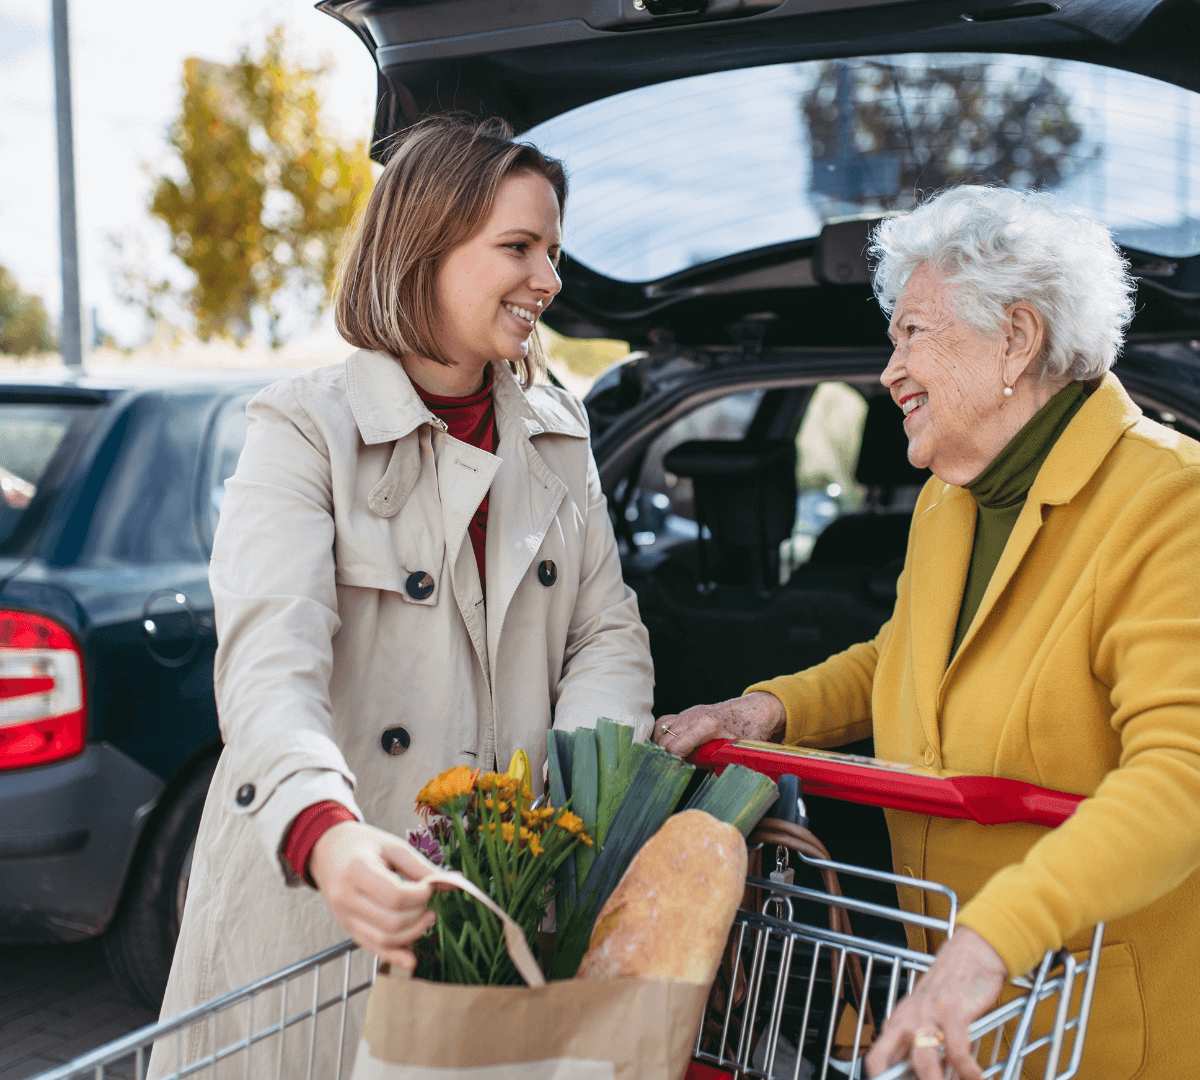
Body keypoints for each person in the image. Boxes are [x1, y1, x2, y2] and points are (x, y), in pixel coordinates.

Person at [654, 186, 1200, 1080]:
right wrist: (764, 711)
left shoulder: (1173, 501)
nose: (889, 370)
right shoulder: (953, 497)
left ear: (1017, 339)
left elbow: (1184, 777)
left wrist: (990, 941)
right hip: (953, 1006)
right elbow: (904, 658)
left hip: (1102, 1029)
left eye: (913, 334)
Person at [149, 115, 654, 1077]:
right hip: (320, 910)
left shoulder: (558, 430)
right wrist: (324, 834)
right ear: (422, 246)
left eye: (552, 251)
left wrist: (577, 818)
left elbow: (604, 634)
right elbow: (269, 659)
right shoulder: (302, 428)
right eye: (518, 248)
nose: (549, 281)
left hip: (504, 904)